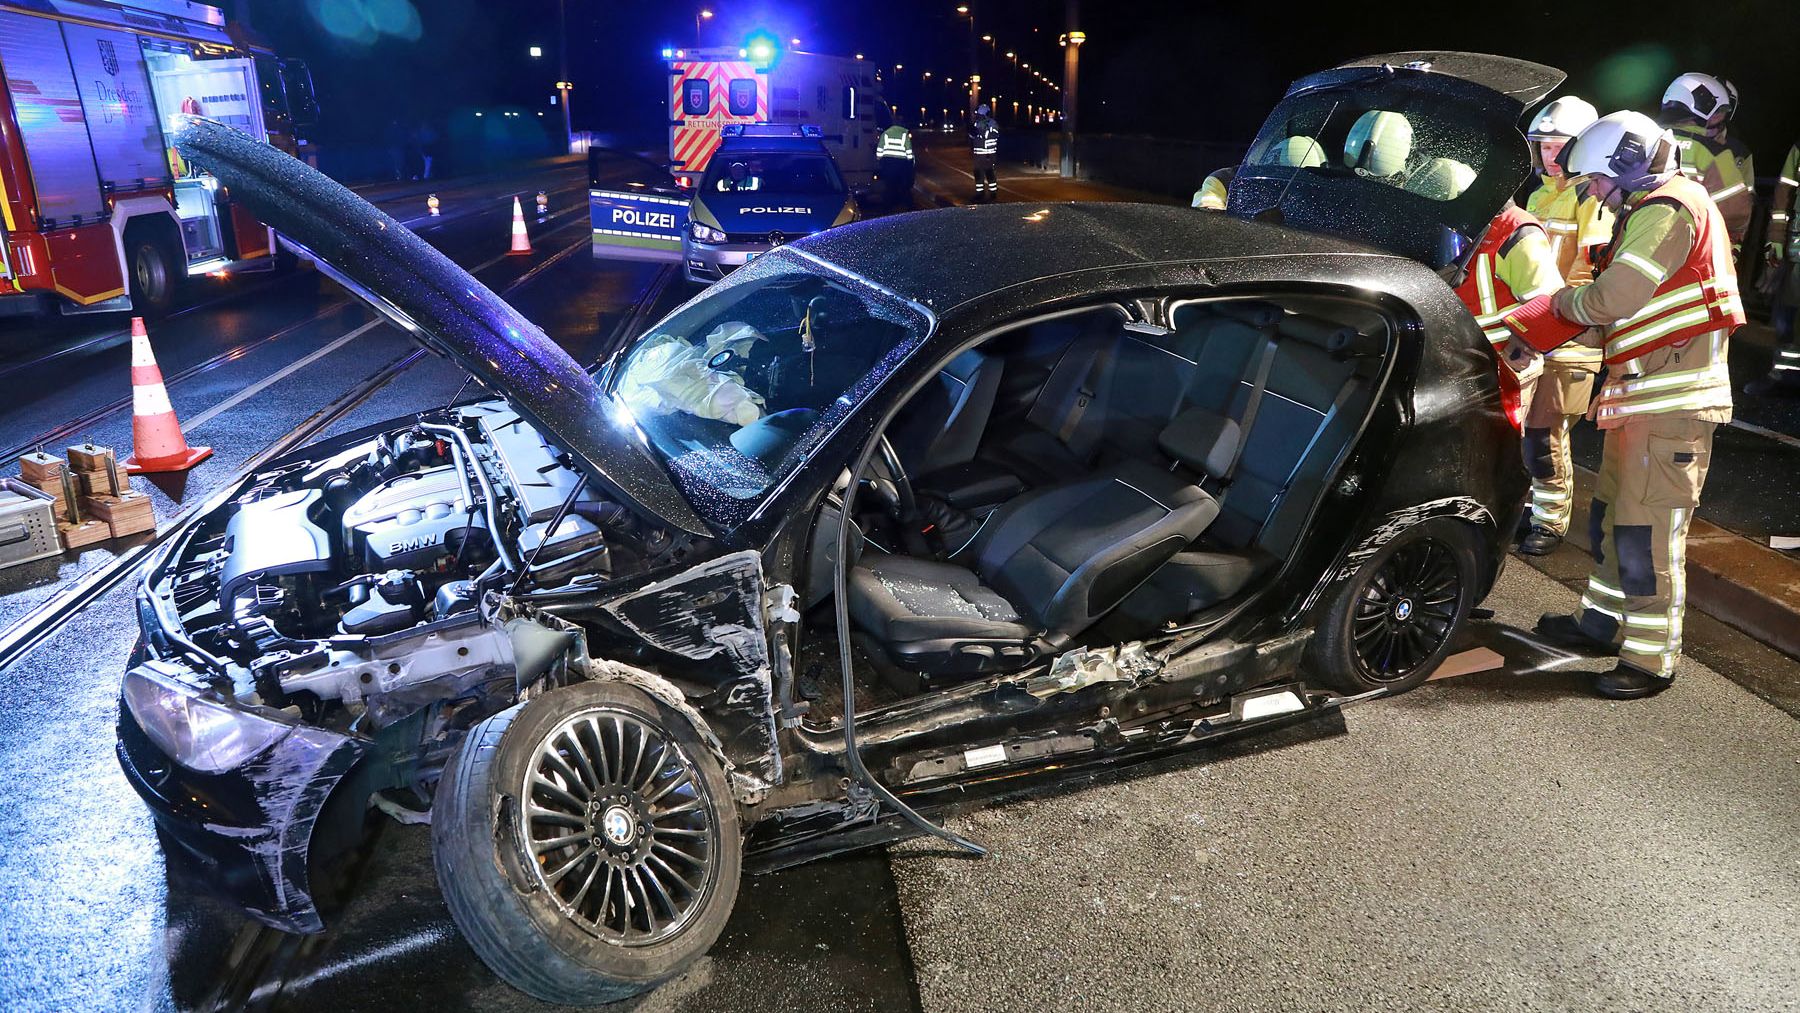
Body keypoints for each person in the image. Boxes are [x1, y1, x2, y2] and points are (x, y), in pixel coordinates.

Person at [1504, 111, 1746, 699]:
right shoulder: (1654, 210)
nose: (1591, 190)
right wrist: (1547, 330)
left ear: (1628, 164)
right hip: (1644, 401)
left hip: (1671, 407)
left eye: (1596, 179)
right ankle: (1602, 623)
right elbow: (1625, 316)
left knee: (1646, 532)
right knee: (1613, 517)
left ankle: (1649, 659)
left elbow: (1613, 297)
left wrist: (1557, 307)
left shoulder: (1668, 209)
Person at [1518, 95, 1612, 555]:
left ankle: (1550, 523)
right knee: (1526, 431)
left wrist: (1560, 313)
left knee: (1546, 432)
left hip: (1574, 334)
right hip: (1538, 330)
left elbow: (1592, 268)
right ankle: (1529, 511)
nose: (1549, 155)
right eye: (1543, 146)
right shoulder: (1538, 195)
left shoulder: (1591, 197)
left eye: (1558, 146)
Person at [1658, 72, 1753, 254]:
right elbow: (1737, 212)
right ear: (1702, 108)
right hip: (1694, 252)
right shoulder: (1713, 153)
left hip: (1638, 243)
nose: (1719, 118)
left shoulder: (1645, 140)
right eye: (1718, 112)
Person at [1748, 140, 1800, 395]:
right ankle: (1783, 377)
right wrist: (1776, 240)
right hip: (1796, 254)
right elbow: (1784, 193)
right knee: (1787, 322)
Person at [876, 110, 915, 205]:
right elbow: (909, 150)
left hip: (888, 163)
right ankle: (901, 205)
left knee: (889, 186)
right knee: (900, 185)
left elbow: (879, 150)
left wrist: (880, 159)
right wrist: (910, 161)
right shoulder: (904, 134)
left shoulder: (885, 133)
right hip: (901, 164)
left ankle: (888, 207)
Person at [969, 103, 999, 202]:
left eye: (979, 114)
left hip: (988, 153)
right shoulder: (977, 123)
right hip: (978, 153)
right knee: (978, 172)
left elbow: (994, 135)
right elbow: (973, 137)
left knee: (989, 172)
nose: (977, 115)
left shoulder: (992, 123)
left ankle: (993, 193)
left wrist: (980, 133)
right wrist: (971, 132)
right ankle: (980, 193)